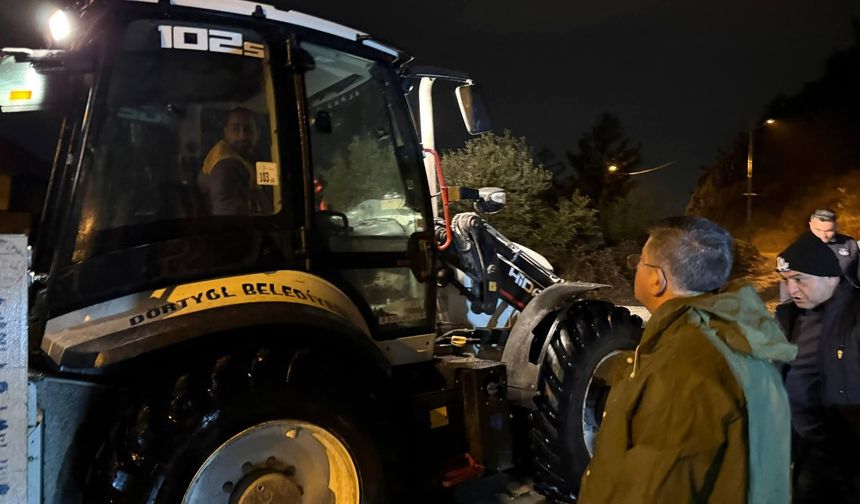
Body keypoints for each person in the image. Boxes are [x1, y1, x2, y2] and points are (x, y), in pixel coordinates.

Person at [579, 216, 796, 504]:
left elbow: (657, 489)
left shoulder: (682, 368)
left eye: (639, 262)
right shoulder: (734, 339)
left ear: (657, 279)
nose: (635, 269)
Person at [775, 231, 860, 503]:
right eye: (786, 280)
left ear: (830, 277)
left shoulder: (855, 316)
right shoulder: (789, 317)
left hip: (850, 454)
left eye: (800, 279)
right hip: (805, 451)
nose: (791, 290)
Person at [198, 107, 272, 215]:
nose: (242, 135)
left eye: (248, 128)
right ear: (226, 132)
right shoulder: (226, 167)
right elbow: (231, 219)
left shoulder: (253, 157)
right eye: (236, 129)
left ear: (258, 133)